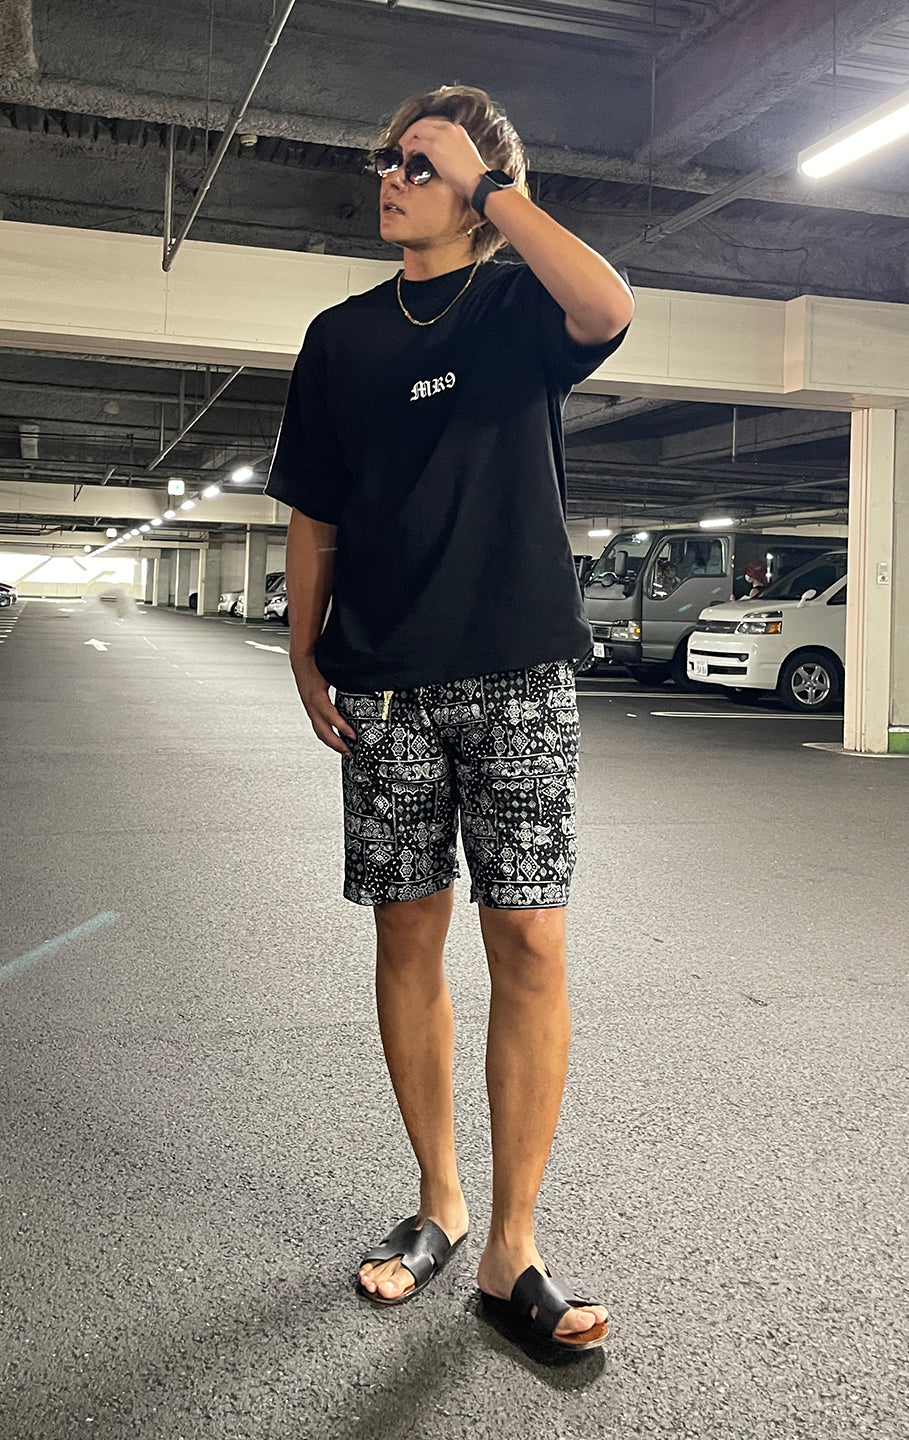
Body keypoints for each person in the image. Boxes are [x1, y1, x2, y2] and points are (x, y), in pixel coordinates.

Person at [266, 85, 634, 1353]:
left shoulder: (521, 304)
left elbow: (609, 307)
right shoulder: (341, 337)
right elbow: (314, 507)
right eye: (388, 159)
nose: (390, 176)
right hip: (386, 680)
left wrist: (491, 189)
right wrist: (303, 648)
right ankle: (438, 1205)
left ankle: (511, 1247)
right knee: (407, 938)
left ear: (477, 186)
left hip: (520, 671)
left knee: (528, 941)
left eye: (417, 164)